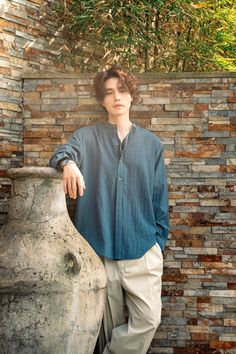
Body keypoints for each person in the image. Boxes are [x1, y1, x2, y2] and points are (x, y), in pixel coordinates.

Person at [49, 66, 169, 354]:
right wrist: (69, 164)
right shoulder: (87, 137)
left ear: (131, 96)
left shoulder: (151, 144)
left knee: (149, 319)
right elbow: (61, 153)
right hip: (99, 251)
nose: (117, 97)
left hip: (143, 251)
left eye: (122, 90)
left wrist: (158, 244)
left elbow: (159, 199)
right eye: (109, 93)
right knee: (103, 330)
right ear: (102, 101)